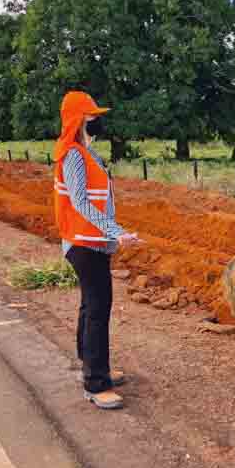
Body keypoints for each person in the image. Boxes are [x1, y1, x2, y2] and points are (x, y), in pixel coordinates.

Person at [53, 91, 141, 410]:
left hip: (90, 242)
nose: (97, 121)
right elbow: (80, 202)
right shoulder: (74, 154)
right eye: (92, 116)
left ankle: (93, 365)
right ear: (79, 120)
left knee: (91, 308)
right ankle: (95, 382)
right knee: (97, 310)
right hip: (83, 244)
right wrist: (117, 233)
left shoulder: (84, 153)